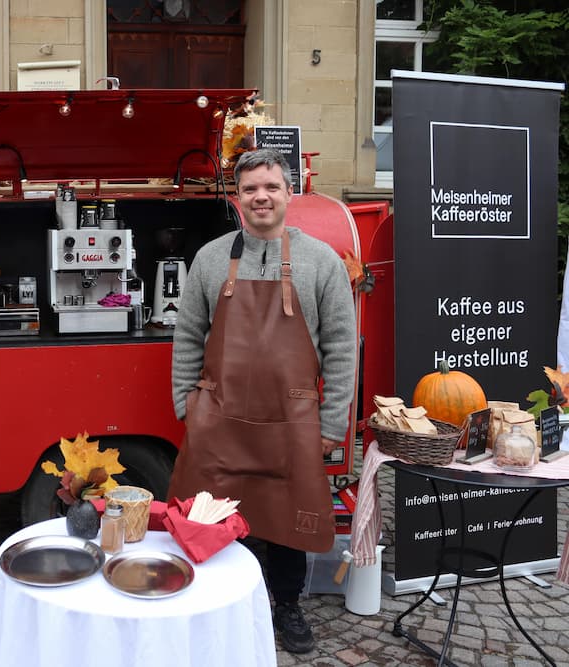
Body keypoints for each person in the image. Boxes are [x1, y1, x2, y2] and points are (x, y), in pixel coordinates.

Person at [167, 148, 357, 654]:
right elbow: (187, 337)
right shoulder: (210, 259)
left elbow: (341, 348)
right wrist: (188, 407)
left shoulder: (321, 262)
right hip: (220, 419)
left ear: (289, 193)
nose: (261, 197)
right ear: (236, 198)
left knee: (288, 520)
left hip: (293, 421)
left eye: (271, 186)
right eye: (250, 188)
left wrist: (331, 424)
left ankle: (287, 606)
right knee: (221, 520)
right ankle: (228, 608)